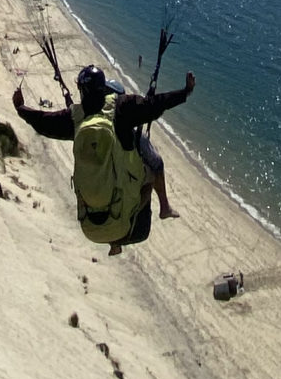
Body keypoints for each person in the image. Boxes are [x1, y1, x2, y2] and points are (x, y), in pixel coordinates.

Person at [13, 63, 195, 253]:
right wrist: (185, 92)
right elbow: (156, 104)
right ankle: (164, 208)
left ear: (81, 90)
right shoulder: (121, 108)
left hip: (90, 229)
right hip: (132, 229)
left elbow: (43, 122)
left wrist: (20, 107)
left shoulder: (74, 119)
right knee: (151, 171)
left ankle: (114, 243)